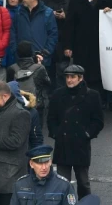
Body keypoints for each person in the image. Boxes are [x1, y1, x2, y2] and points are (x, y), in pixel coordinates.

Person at [63, 0, 112, 108]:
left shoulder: (108, 0)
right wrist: (67, 46)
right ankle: (82, 100)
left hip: (102, 44)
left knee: (100, 74)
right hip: (81, 44)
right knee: (83, 73)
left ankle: (100, 101)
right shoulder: (76, 1)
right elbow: (69, 25)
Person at [46, 63, 103, 199]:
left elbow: (98, 121)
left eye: (72, 77)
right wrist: (56, 133)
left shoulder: (92, 95)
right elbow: (51, 118)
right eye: (67, 77)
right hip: (63, 143)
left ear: (80, 78)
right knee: (62, 182)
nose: (69, 80)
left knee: (83, 182)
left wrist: (87, 134)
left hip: (81, 144)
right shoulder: (58, 94)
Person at [9, 144, 76, 204]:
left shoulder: (64, 185)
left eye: (46, 162)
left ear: (50, 162)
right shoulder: (20, 185)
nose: (44, 167)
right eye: (40, 163)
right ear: (31, 164)